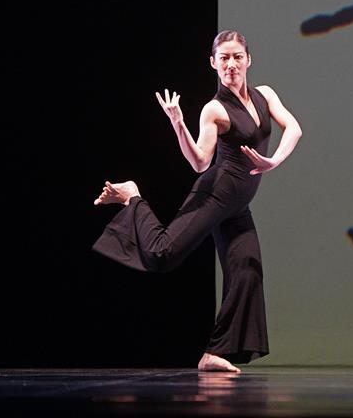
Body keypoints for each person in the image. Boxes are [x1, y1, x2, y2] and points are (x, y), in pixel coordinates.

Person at [92, 30, 303, 373]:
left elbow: (293, 127)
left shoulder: (265, 95)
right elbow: (201, 162)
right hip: (215, 195)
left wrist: (273, 161)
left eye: (237, 57)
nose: (231, 64)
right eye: (224, 58)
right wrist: (178, 124)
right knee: (162, 254)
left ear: (248, 60)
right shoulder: (214, 109)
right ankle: (134, 195)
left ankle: (213, 354)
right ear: (213, 63)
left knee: (247, 271)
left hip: (238, 206)